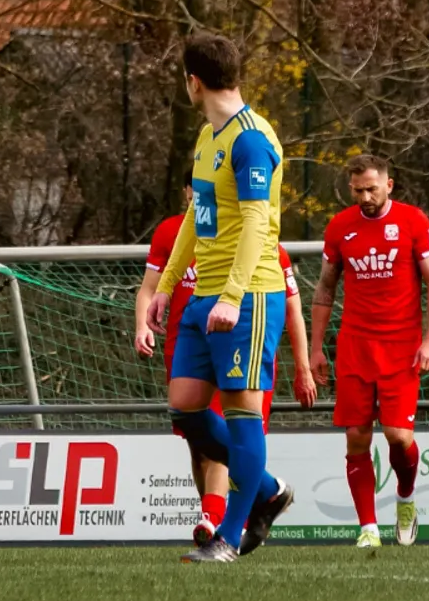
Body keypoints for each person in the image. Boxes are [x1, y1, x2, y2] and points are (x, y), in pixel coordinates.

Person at [147, 32, 295, 563]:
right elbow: (196, 215)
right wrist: (166, 286)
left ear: (194, 81)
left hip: (248, 295)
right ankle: (268, 489)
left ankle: (229, 539)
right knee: (185, 410)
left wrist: (232, 296)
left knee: (240, 412)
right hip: (202, 296)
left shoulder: (252, 139)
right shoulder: (209, 136)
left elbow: (258, 222)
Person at [135, 177, 315, 547]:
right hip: (192, 333)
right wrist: (148, 316)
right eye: (192, 189)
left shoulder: (257, 234)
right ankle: (264, 494)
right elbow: (150, 286)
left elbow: (294, 308)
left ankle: (221, 526)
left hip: (239, 328)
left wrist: (303, 366)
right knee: (192, 429)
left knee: (234, 423)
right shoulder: (175, 231)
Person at [311, 154, 429, 549]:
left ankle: (405, 497)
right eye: (358, 190)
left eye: (372, 188)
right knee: (356, 435)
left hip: (402, 346)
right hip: (354, 344)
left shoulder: (414, 221)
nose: (365, 196)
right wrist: (316, 348)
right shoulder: (340, 227)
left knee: (398, 436)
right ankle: (368, 528)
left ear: (389, 184)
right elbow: (324, 288)